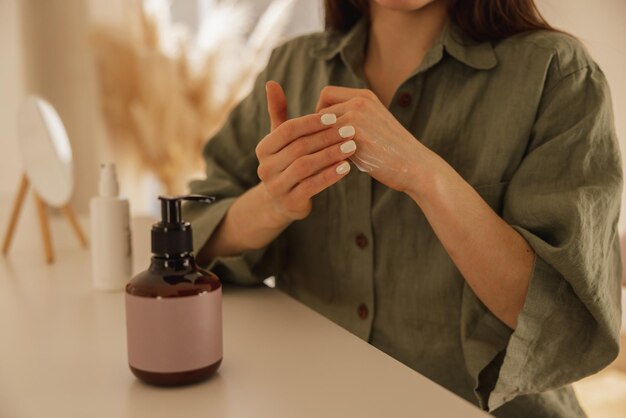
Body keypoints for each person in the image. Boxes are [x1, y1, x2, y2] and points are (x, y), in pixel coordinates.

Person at [184, 0, 623, 416]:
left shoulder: (558, 74)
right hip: (312, 402)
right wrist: (274, 202)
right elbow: (189, 234)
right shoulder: (292, 66)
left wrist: (423, 174)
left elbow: (563, 321)